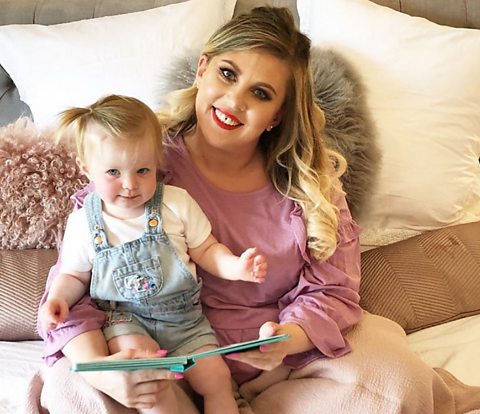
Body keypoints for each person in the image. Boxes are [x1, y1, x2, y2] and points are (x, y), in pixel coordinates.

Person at [37, 6, 480, 414]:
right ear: (202, 69)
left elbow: (334, 292)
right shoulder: (139, 166)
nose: (234, 101)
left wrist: (289, 338)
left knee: (395, 379)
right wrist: (101, 370)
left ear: (277, 115)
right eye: (227, 74)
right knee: (71, 390)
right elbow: (74, 285)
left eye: (261, 93)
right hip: (163, 367)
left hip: (285, 369)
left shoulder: (309, 185)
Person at [39, 94, 267, 414]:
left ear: (157, 163)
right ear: (86, 168)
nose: (130, 184)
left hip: (185, 321)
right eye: (114, 173)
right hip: (125, 320)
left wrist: (236, 267)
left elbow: (206, 249)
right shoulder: (83, 223)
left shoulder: (176, 203)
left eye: (142, 170)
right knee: (145, 373)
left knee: (217, 378)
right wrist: (59, 300)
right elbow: (75, 275)